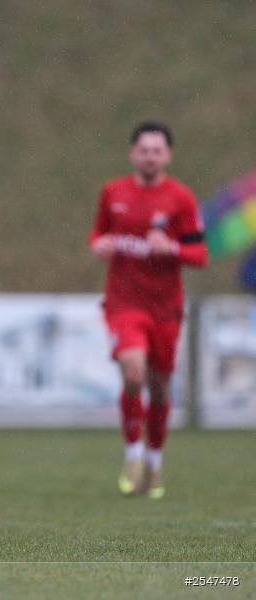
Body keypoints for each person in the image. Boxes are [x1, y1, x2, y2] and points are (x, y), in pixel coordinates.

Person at [88, 121, 207, 499]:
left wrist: (170, 249)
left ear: (168, 155)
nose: (150, 156)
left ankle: (154, 464)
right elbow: (99, 233)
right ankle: (133, 455)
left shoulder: (181, 199)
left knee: (158, 389)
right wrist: (100, 244)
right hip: (124, 303)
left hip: (165, 309)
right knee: (133, 371)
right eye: (144, 150)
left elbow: (199, 254)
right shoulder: (113, 192)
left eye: (157, 150)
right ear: (132, 154)